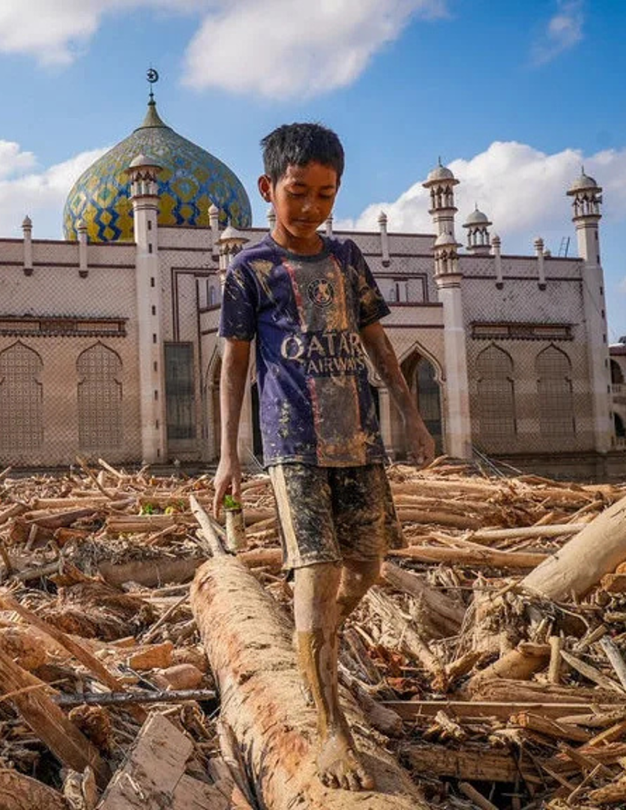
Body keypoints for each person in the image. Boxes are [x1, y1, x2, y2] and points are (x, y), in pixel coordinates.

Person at [212, 122, 436, 791]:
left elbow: (378, 344)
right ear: (267, 190)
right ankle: (331, 730)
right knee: (315, 576)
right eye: (298, 192)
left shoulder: (347, 260)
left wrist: (412, 419)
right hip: (294, 444)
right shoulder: (248, 270)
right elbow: (234, 368)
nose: (311, 206)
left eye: (325, 193)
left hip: (358, 440)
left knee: (364, 569)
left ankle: (313, 635)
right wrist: (228, 456)